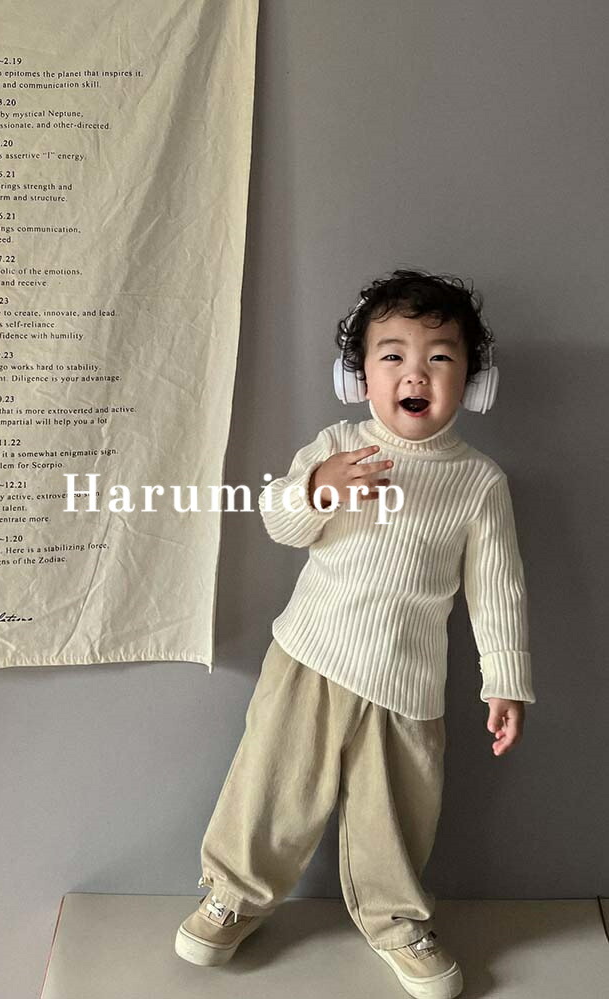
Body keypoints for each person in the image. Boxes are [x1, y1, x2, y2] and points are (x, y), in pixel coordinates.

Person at [174, 269, 535, 999]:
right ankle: (235, 893)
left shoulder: (479, 482)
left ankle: (396, 919)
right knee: (272, 784)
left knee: (396, 812)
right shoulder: (339, 444)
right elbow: (279, 520)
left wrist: (506, 680)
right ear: (359, 377)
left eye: (440, 357)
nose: (415, 373)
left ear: (472, 382)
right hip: (311, 654)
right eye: (393, 355)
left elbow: (497, 590)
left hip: (409, 679)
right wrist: (318, 488)